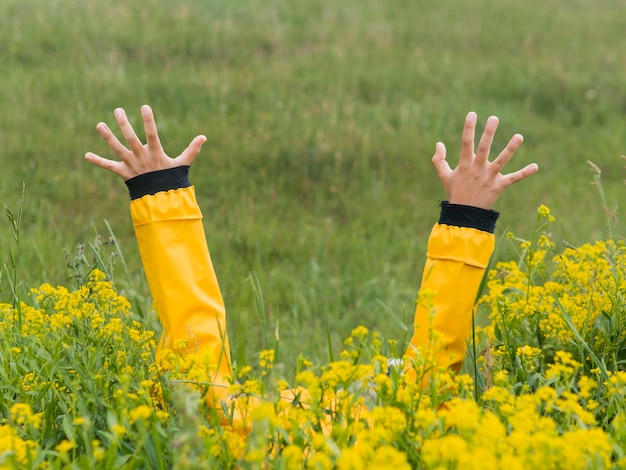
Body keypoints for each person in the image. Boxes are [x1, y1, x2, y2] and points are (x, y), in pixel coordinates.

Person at [85, 105, 538, 418]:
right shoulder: (394, 432)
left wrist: (160, 194)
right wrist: (467, 216)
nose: (383, 370)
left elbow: (196, 371)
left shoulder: (246, 436)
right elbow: (430, 377)